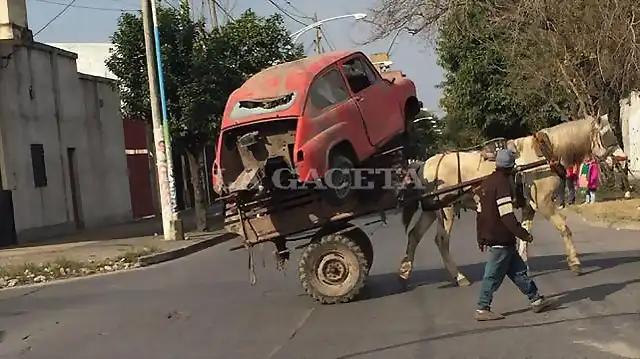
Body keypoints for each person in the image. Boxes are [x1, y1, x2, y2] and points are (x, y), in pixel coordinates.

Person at [474, 149, 555, 321]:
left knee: (519, 272)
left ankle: (536, 299)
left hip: (495, 237)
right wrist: (523, 234)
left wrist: (480, 236)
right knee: (492, 276)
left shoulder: (486, 183)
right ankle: (482, 308)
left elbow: (479, 214)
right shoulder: (503, 184)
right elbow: (507, 216)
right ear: (510, 167)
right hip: (500, 238)